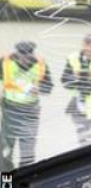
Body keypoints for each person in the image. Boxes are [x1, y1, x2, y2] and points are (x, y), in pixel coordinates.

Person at [0, 41, 53, 171]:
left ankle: (25, 183)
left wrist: (40, 89)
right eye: (22, 56)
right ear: (16, 54)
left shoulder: (41, 64)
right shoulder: (5, 62)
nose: (25, 59)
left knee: (27, 155)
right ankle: (7, 182)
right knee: (5, 151)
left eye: (28, 56)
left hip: (30, 112)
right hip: (9, 111)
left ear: (32, 54)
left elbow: (49, 87)